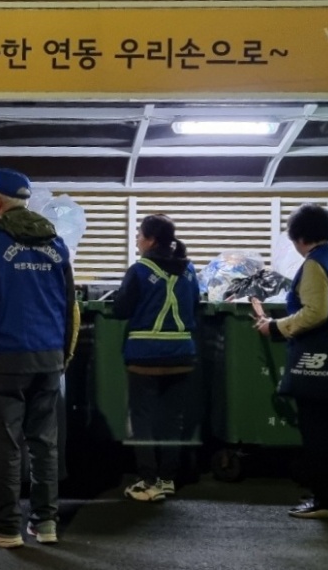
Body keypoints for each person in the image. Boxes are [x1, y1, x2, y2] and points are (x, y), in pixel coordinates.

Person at [0, 169, 79, 548]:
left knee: (4, 444)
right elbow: (71, 309)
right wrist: (64, 355)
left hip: (6, 359)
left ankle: (7, 527)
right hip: (49, 359)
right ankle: (45, 524)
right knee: (45, 443)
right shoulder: (57, 246)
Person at [252, 203, 328, 519]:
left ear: (299, 237)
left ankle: (324, 501)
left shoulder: (315, 264)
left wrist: (275, 327)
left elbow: (315, 312)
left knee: (318, 432)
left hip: (317, 360)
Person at [111, 215, 199, 503]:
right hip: (182, 354)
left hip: (145, 356)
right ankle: (167, 479)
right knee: (173, 419)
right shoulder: (189, 270)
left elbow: (121, 309)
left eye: (139, 235)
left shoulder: (139, 270)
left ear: (150, 240)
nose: (137, 239)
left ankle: (147, 480)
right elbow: (196, 305)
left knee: (143, 420)